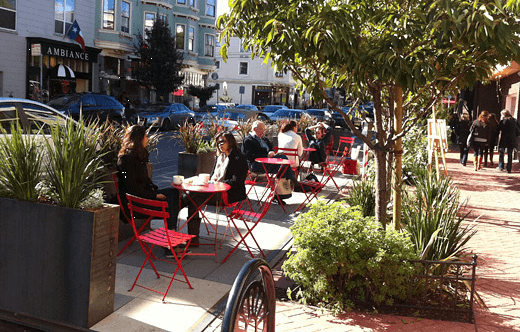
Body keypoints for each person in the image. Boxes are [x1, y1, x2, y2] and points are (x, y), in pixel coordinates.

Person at [182, 131, 249, 245]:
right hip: (215, 191)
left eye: (222, 141)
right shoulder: (221, 157)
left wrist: (215, 185)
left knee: (192, 196)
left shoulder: (238, 158)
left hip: (229, 195)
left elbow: (235, 182)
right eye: (218, 142)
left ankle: (173, 211)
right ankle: (193, 239)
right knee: (193, 198)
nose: (220, 145)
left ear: (230, 141)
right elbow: (213, 176)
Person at [117, 125, 179, 231]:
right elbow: (132, 188)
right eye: (146, 136)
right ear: (138, 139)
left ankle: (171, 233)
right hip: (135, 204)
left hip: (144, 196)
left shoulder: (138, 156)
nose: (148, 138)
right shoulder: (126, 160)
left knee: (174, 193)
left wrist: (154, 191)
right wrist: (154, 195)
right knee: (171, 204)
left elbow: (145, 181)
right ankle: (171, 237)